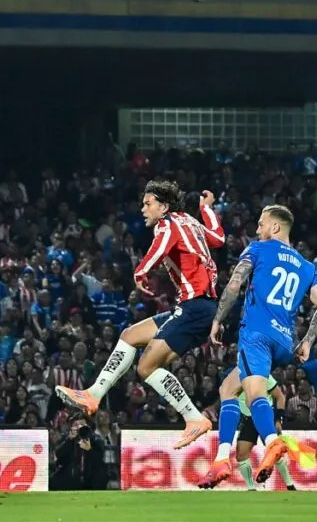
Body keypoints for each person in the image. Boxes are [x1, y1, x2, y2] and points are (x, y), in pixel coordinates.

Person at [55, 181, 225, 449]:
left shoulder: (168, 224)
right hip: (198, 307)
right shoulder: (191, 222)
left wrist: (141, 271)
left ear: (164, 207)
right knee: (130, 335)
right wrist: (207, 209)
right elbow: (218, 238)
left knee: (146, 367)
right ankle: (93, 395)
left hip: (194, 307)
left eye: (148, 204)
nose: (143, 209)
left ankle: (194, 418)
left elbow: (159, 248)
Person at [199, 204, 317, 486]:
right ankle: (221, 458)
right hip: (284, 341)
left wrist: (218, 320)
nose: (257, 230)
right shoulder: (307, 267)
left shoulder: (258, 249)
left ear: (275, 227)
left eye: (261, 224)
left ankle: (272, 441)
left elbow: (234, 284)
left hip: (256, 334)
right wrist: (308, 341)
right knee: (228, 389)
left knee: (254, 394)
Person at [202, 374, 295, 491]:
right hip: (248, 418)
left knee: (275, 451)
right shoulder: (234, 378)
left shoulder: (263, 375)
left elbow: (280, 396)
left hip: (265, 416)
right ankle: (251, 488)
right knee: (241, 454)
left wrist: (278, 420)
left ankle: (290, 485)